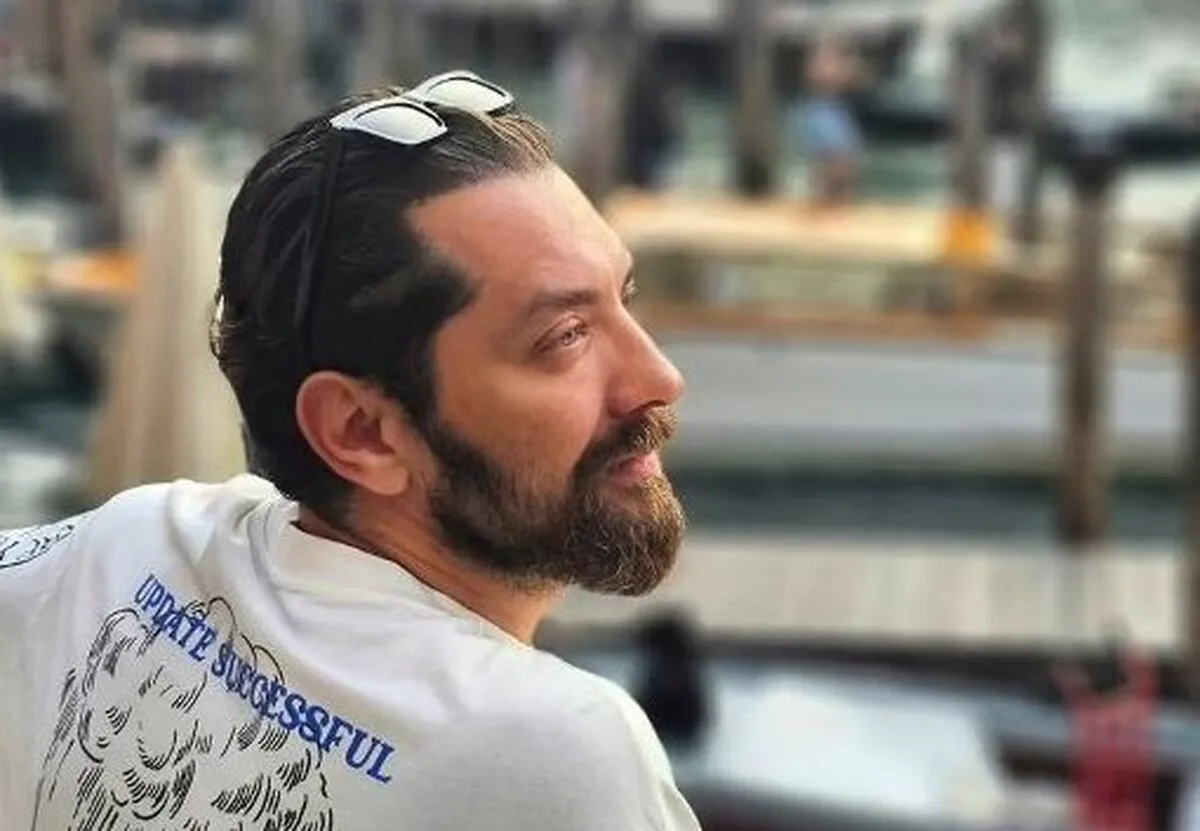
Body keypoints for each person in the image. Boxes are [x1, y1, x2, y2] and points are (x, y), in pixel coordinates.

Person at [0, 71, 700, 830]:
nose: (659, 377)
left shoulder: (125, 544)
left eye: (623, 299)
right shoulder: (560, 752)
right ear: (359, 431)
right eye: (564, 337)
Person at [798, 40, 864, 205]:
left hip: (836, 190)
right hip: (831, 193)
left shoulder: (837, 110)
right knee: (831, 172)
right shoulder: (821, 114)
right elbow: (833, 163)